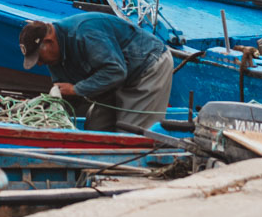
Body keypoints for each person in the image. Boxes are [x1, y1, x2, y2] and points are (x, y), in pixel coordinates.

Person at [18, 13, 172, 132]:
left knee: (129, 134)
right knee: (95, 128)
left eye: (38, 57)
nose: (38, 63)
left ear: (49, 41)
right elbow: (67, 101)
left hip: (146, 66)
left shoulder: (85, 32)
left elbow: (115, 71)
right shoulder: (53, 58)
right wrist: (40, 108)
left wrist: (75, 90)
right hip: (115, 78)